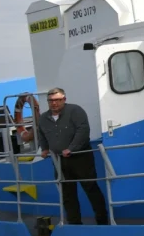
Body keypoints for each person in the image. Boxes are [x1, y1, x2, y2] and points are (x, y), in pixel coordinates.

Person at [36, 88, 109, 226]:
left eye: (57, 100)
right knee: (67, 194)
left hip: (81, 158)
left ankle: (103, 221)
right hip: (59, 161)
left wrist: (71, 148)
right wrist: (45, 149)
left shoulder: (75, 111)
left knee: (91, 189)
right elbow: (42, 134)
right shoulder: (44, 118)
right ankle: (75, 223)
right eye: (51, 100)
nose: (54, 103)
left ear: (64, 99)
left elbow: (83, 130)